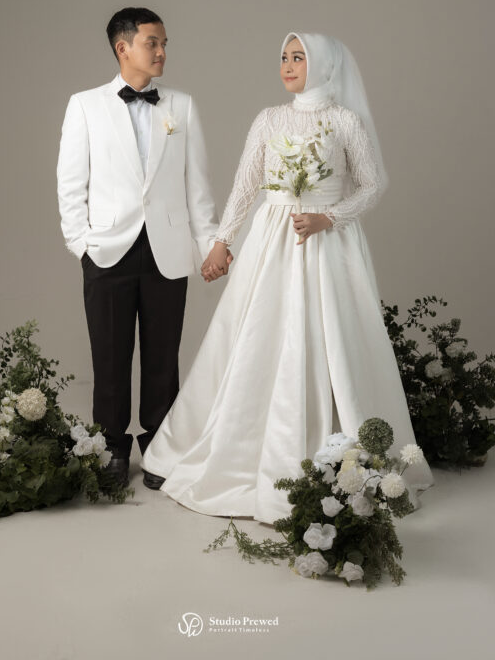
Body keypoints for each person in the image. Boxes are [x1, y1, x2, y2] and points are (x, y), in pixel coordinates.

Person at [141, 31, 434, 524]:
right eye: (284, 56)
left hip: (327, 243)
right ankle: (240, 452)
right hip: (272, 240)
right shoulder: (268, 119)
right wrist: (223, 240)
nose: (288, 65)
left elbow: (372, 184)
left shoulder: (345, 121)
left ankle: (338, 453)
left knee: (329, 336)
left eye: (299, 57)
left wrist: (329, 217)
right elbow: (246, 183)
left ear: (323, 65)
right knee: (258, 333)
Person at [56, 7, 230, 489]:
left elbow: (198, 186)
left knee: (163, 355)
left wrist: (208, 244)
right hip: (107, 249)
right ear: (123, 47)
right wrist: (81, 244)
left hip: (167, 248)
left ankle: (160, 444)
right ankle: (111, 445)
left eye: (164, 43)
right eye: (153, 43)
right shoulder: (85, 105)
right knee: (109, 355)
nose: (162, 52)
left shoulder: (182, 105)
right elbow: (71, 183)